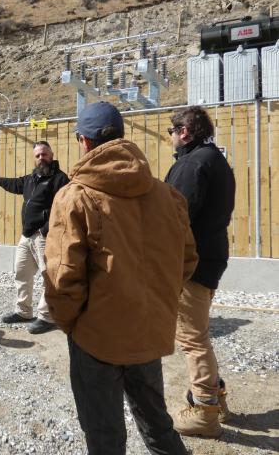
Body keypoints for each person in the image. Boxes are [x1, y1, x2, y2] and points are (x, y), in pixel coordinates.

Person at [44, 102, 198, 455]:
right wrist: (156, 303)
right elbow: (186, 260)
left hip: (97, 338)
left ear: (83, 142)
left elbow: (64, 278)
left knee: (104, 435)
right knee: (157, 423)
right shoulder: (167, 195)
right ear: (122, 137)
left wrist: (72, 325)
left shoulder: (74, 197)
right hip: (148, 330)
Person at [164, 106, 236, 438]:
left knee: (193, 338)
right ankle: (214, 393)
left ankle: (205, 410)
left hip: (192, 263)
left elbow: (174, 218)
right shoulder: (213, 159)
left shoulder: (192, 164)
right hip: (210, 257)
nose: (171, 138)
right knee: (199, 333)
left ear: (185, 132)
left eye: (172, 132)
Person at [0, 141, 69, 334]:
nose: (41, 158)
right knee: (21, 274)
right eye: (38, 155)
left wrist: (46, 229)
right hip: (27, 236)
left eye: (45, 154)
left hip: (44, 237)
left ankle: (47, 317)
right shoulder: (32, 178)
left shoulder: (60, 179)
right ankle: (24, 311)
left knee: (49, 277)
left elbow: (64, 208)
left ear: (52, 154)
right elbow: (15, 184)